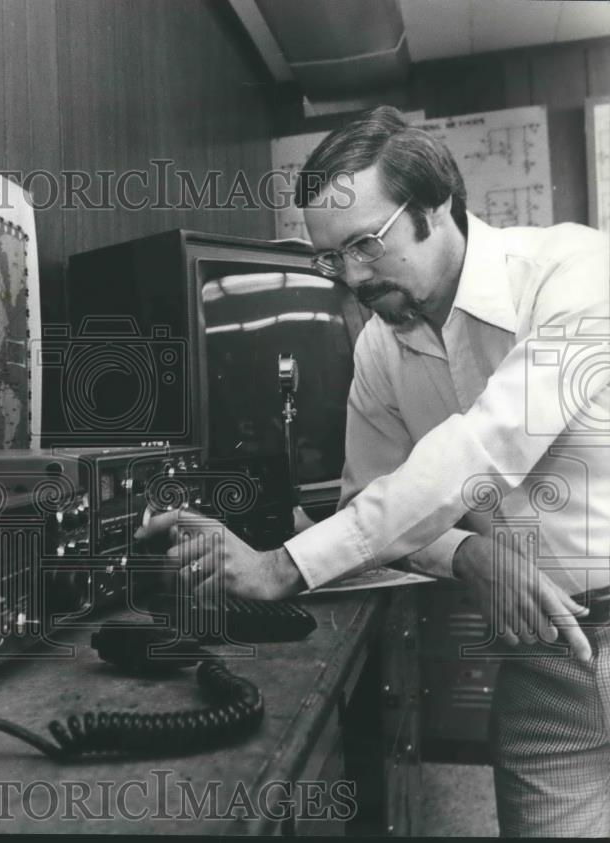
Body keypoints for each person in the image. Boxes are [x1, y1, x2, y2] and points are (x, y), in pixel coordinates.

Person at [135, 105, 610, 836]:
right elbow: (367, 499)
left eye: (365, 244)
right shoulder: (382, 351)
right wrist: (468, 552)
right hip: (545, 661)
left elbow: (484, 445)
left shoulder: (575, 271)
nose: (351, 277)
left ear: (436, 206)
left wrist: (280, 568)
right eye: (331, 258)